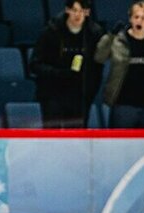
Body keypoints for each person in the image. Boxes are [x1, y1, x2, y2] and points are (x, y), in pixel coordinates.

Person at [94, 1, 144, 128]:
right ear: (130, 19)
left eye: (143, 18)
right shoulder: (118, 41)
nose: (139, 21)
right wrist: (110, 36)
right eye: (136, 17)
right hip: (123, 104)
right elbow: (99, 57)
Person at [29, 0, 104, 128]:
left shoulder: (94, 33)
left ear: (88, 12)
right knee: (52, 135)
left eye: (82, 11)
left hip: (80, 97)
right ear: (67, 10)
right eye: (75, 10)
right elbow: (35, 65)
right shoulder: (51, 31)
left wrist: (89, 92)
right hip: (52, 93)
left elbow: (97, 68)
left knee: (76, 137)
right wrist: (60, 73)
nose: (78, 15)